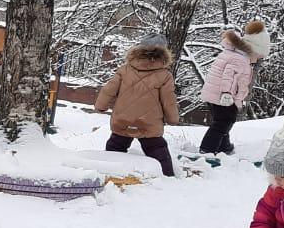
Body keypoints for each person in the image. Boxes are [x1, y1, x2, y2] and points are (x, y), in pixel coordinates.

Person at [94, 32, 179, 176]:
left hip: (123, 118)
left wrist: (101, 106)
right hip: (149, 121)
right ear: (164, 54)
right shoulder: (165, 75)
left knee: (116, 144)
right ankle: (167, 175)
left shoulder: (125, 70)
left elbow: (109, 89)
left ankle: (108, 171)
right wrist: (172, 118)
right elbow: (168, 100)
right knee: (157, 148)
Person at [199, 18, 271, 155]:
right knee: (223, 123)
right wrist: (227, 93)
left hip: (217, 95)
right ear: (253, 49)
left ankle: (223, 146)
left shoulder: (236, 54)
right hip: (224, 96)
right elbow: (228, 75)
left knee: (224, 121)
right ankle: (207, 149)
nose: (259, 59)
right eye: (259, 55)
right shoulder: (240, 60)